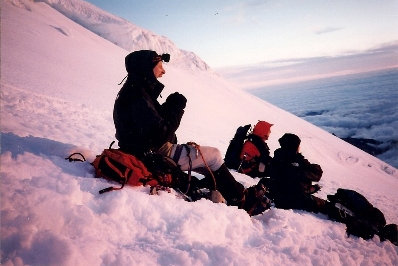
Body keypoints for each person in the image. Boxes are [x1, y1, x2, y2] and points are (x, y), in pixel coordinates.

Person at [113, 50, 269, 215]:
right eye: (159, 66)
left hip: (144, 150)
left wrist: (167, 106)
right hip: (153, 154)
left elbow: (150, 125)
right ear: (147, 69)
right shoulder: (138, 96)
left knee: (208, 164)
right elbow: (161, 134)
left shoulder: (135, 92)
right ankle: (242, 200)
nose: (163, 71)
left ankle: (235, 195)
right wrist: (176, 108)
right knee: (214, 156)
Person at [266, 133, 324, 212]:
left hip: (278, 194)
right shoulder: (297, 161)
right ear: (294, 146)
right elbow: (317, 175)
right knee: (324, 205)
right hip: (291, 199)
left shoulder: (277, 156)